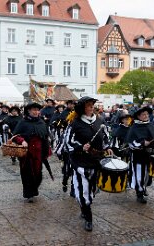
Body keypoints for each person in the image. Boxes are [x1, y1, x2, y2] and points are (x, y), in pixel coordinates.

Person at [66, 96, 112, 231]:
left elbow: (105, 137)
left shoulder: (100, 121)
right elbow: (67, 142)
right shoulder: (74, 123)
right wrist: (80, 147)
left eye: (92, 105)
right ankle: (88, 217)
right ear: (82, 108)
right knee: (83, 190)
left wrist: (107, 147)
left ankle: (84, 206)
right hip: (80, 162)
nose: (91, 107)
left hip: (96, 161)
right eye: (88, 105)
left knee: (92, 191)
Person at [12, 102, 50, 203]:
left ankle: (34, 189)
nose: (36, 112)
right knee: (27, 174)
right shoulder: (23, 122)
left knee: (38, 174)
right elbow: (15, 136)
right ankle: (29, 194)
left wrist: (47, 150)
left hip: (39, 153)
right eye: (34, 110)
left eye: (37, 110)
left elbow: (45, 137)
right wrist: (22, 141)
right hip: (26, 154)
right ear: (29, 111)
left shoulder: (41, 122)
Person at [126, 107, 154, 204]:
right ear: (138, 116)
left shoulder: (150, 125)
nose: (146, 116)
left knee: (147, 174)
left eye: (147, 114)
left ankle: (143, 187)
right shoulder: (134, 127)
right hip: (138, 155)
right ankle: (139, 193)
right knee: (139, 175)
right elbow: (131, 142)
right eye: (143, 114)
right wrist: (142, 143)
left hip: (149, 155)